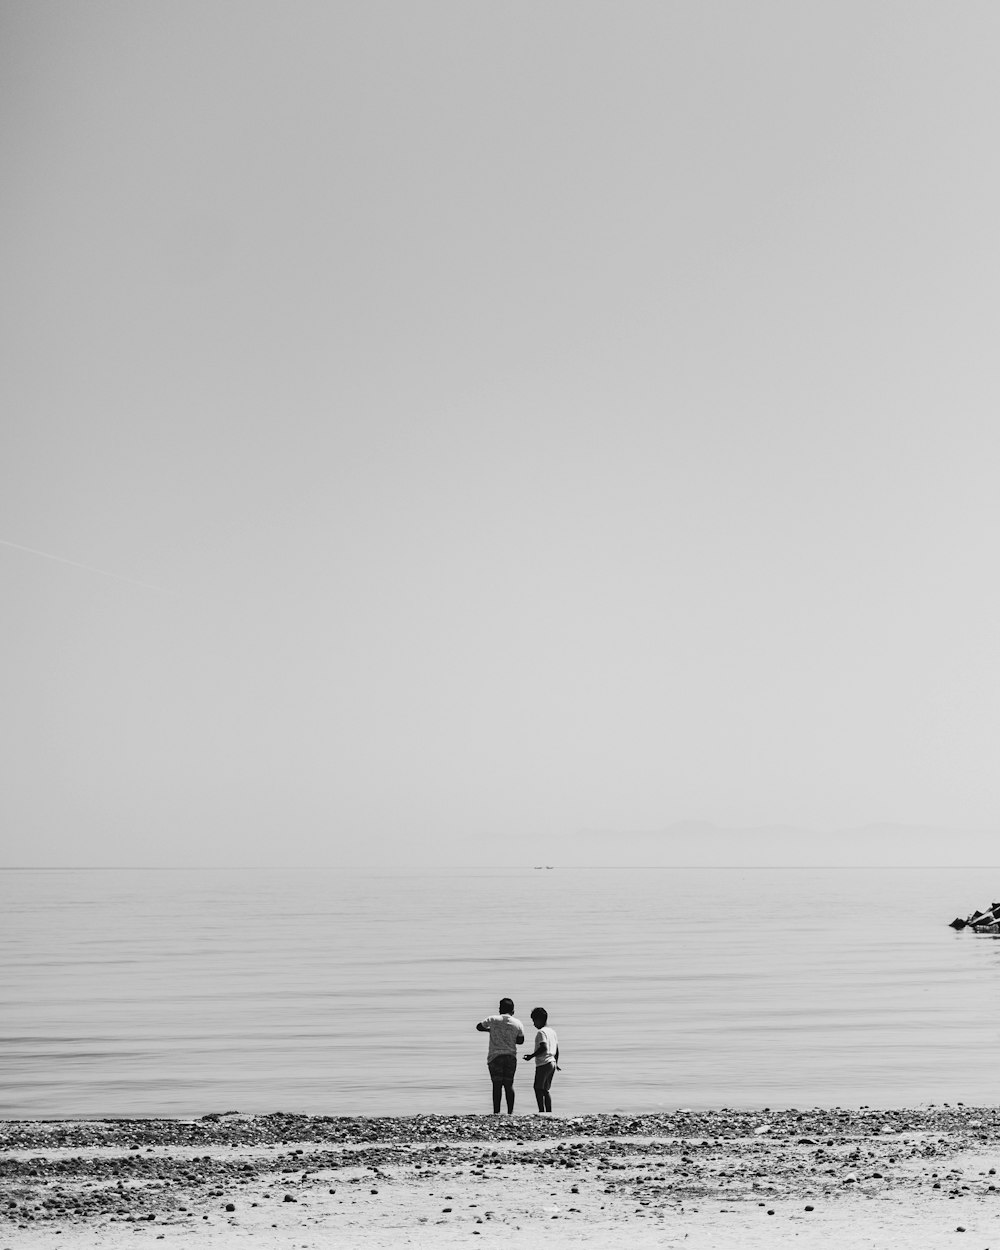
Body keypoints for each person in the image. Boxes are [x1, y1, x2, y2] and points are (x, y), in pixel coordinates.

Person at [476, 998, 524, 1114]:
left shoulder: (493, 1019)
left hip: (495, 1057)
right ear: (513, 1011)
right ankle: (510, 1112)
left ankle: (496, 1112)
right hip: (510, 1057)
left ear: (500, 1009)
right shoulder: (517, 1023)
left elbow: (479, 1026)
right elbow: (521, 1040)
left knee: (496, 1085)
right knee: (509, 1085)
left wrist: (490, 1030)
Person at [524, 1006, 559, 1113]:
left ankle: (541, 1111)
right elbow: (557, 1050)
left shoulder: (541, 1032)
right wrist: (556, 1063)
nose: (533, 1024)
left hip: (543, 1063)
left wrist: (531, 1056)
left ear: (539, 1020)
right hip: (552, 1062)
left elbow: (544, 1047)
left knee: (537, 1088)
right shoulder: (552, 1032)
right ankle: (549, 1112)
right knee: (545, 1090)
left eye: (534, 1021)